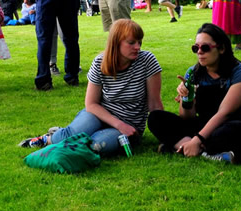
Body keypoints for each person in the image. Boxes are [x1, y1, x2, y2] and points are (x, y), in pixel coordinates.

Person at [19, 19, 163, 155]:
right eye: (131, 43)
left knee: (96, 146)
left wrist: (166, 136)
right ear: (116, 42)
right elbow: (91, 104)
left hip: (129, 125)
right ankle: (49, 139)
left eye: (139, 42)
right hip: (99, 115)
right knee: (72, 134)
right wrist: (118, 124)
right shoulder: (100, 62)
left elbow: (155, 104)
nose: (137, 47)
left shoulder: (147, 61)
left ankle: (69, 136)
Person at [148, 23, 241, 164]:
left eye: (205, 48)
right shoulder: (193, 73)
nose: (199, 52)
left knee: (234, 131)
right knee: (156, 118)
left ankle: (180, 146)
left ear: (221, 48)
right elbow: (187, 118)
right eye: (196, 48)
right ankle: (208, 153)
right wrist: (187, 99)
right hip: (204, 125)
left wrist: (197, 140)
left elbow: (224, 113)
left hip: (234, 124)